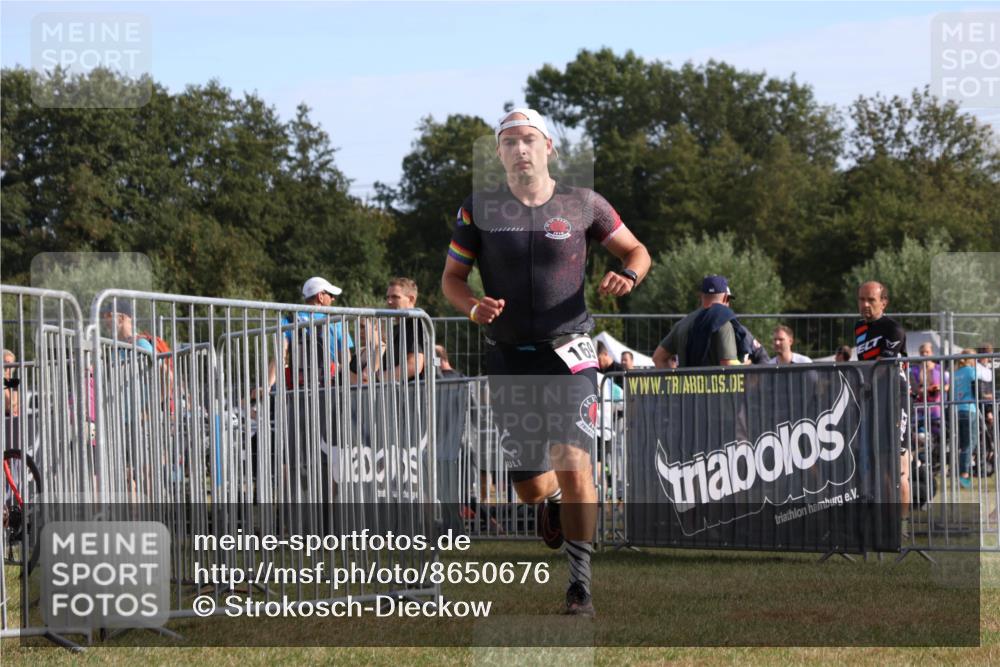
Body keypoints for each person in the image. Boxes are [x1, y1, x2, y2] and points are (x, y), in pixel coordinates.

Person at [441, 107, 651, 616]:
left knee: (576, 464)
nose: (520, 149)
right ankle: (551, 502)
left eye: (529, 139)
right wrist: (472, 307)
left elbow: (637, 251)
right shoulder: (478, 209)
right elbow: (451, 279)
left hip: (570, 351)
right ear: (499, 153)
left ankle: (580, 585)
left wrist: (629, 274)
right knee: (532, 486)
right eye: (510, 141)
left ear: (548, 147)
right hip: (510, 356)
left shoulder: (583, 203)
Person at [853, 282, 911, 519]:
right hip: (872, 398)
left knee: (898, 467)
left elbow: (881, 367)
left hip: (895, 397)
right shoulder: (859, 327)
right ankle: (885, 522)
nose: (865, 305)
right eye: (861, 299)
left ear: (883, 302)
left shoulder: (893, 329)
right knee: (878, 464)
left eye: (871, 300)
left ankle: (901, 526)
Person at [264, 276, 353, 393]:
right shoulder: (336, 322)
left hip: (299, 390)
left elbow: (279, 356)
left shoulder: (288, 321)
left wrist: (267, 386)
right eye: (331, 295)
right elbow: (346, 361)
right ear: (320, 296)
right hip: (330, 389)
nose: (333, 299)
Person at [653, 275, 765, 368]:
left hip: (686, 388)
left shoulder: (682, 324)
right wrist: (748, 366)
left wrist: (673, 383)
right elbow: (728, 364)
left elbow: (658, 358)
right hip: (716, 389)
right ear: (725, 298)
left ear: (702, 297)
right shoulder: (723, 321)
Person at [385, 277, 426, 381]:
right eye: (387, 297)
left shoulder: (415, 323)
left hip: (416, 390)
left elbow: (413, 366)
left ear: (411, 299)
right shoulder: (398, 326)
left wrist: (379, 378)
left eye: (395, 297)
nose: (389, 301)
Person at [954, 350, 984, 489]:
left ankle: (962, 473)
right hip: (970, 408)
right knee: (971, 443)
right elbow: (977, 390)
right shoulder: (971, 371)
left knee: (964, 444)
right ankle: (964, 475)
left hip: (958, 409)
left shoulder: (956, 373)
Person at [910, 342, 948, 450]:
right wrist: (925, 390)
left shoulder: (939, 368)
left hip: (936, 409)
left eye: (927, 352)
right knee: (920, 437)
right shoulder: (915, 370)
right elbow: (914, 388)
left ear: (932, 353)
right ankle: (922, 458)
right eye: (922, 352)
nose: (925, 354)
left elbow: (947, 385)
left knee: (939, 435)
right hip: (919, 409)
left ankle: (938, 457)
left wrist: (939, 388)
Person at [3, 349, 20, 417]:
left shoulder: (13, 381)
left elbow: (14, 405)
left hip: (12, 417)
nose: (7, 367)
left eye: (10, 364)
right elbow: (8, 404)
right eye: (5, 363)